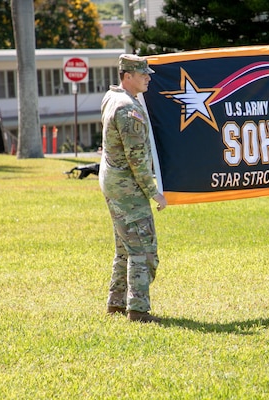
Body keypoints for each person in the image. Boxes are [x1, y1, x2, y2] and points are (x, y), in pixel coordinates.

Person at [99, 54, 168, 322]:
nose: (148, 78)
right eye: (143, 74)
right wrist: (155, 193)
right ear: (127, 76)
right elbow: (137, 160)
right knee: (143, 249)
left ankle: (116, 304)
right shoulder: (129, 111)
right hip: (127, 188)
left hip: (111, 180)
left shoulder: (111, 97)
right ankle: (138, 310)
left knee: (125, 248)